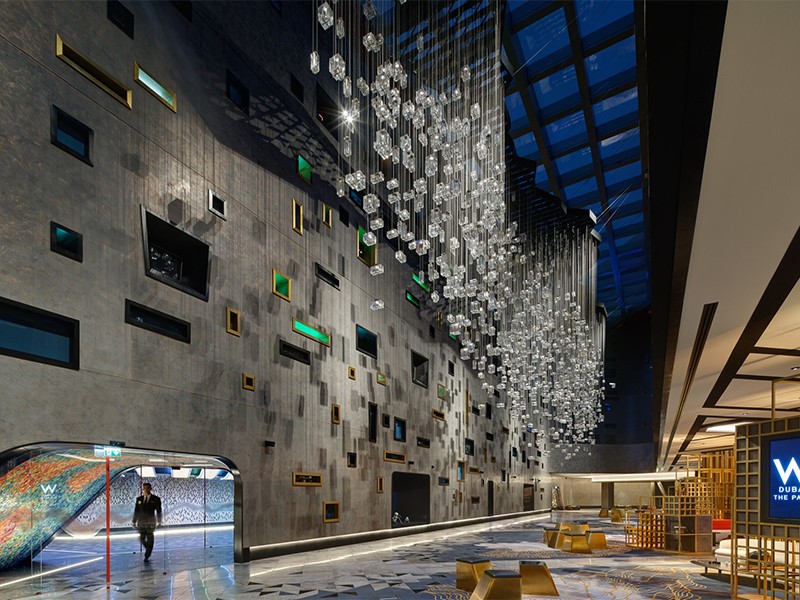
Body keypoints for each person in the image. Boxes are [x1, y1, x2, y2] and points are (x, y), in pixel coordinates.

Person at [132, 482, 162, 561]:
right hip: (141, 522)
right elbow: (136, 511)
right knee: (141, 538)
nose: (146, 489)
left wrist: (159, 521)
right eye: (144, 488)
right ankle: (148, 549)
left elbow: (159, 511)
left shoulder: (156, 499)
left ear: (150, 488)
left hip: (151, 522)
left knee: (150, 538)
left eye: (147, 488)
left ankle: (147, 555)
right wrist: (134, 521)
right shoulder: (139, 499)